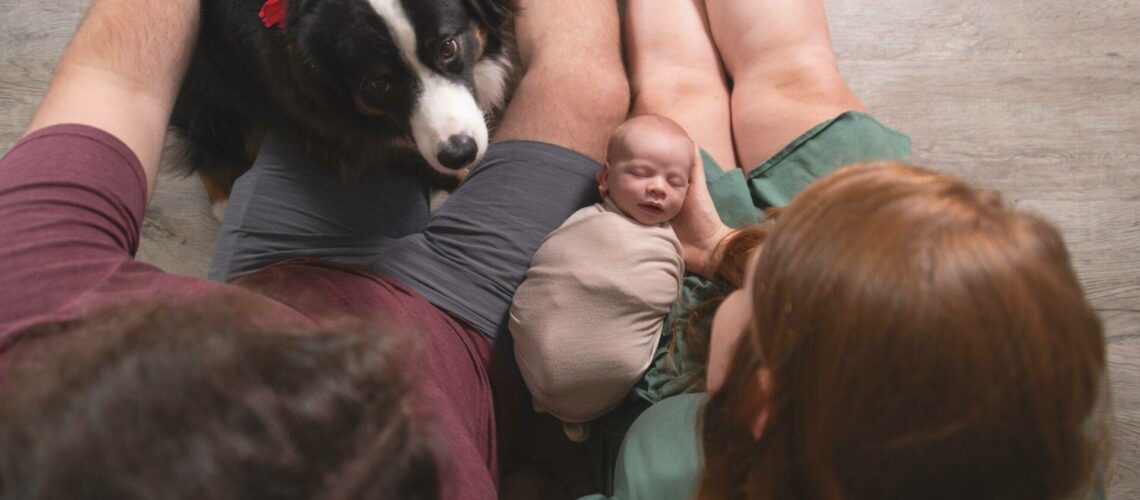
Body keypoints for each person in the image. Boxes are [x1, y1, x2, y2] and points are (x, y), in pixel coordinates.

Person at [0, 0, 629, 498]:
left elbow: (116, 77)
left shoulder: (27, 307)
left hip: (281, 274)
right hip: (453, 343)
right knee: (588, 80)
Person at [585, 0, 1110, 498]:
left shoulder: (669, 474)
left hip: (687, 363)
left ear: (760, 401)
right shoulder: (1045, 413)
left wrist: (724, 250)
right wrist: (724, 244)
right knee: (791, 77)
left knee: (677, 90)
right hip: (872, 247)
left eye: (764, 289)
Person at [510, 114, 690, 443]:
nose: (657, 188)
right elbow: (555, 271)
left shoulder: (669, 245)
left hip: (597, 382)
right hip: (536, 360)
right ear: (605, 178)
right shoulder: (587, 222)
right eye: (640, 173)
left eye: (675, 182)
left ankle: (560, 405)